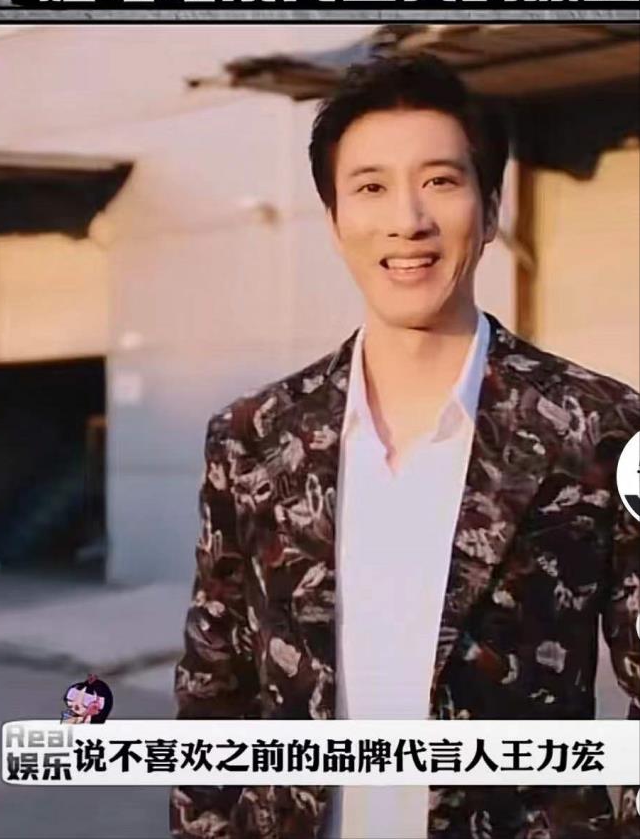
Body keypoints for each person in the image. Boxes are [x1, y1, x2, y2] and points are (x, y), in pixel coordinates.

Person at [170, 55, 640, 838]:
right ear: (334, 222)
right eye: (371, 187)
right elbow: (215, 694)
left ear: (489, 210)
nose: (408, 220)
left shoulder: (601, 426)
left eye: (440, 181)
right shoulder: (254, 438)